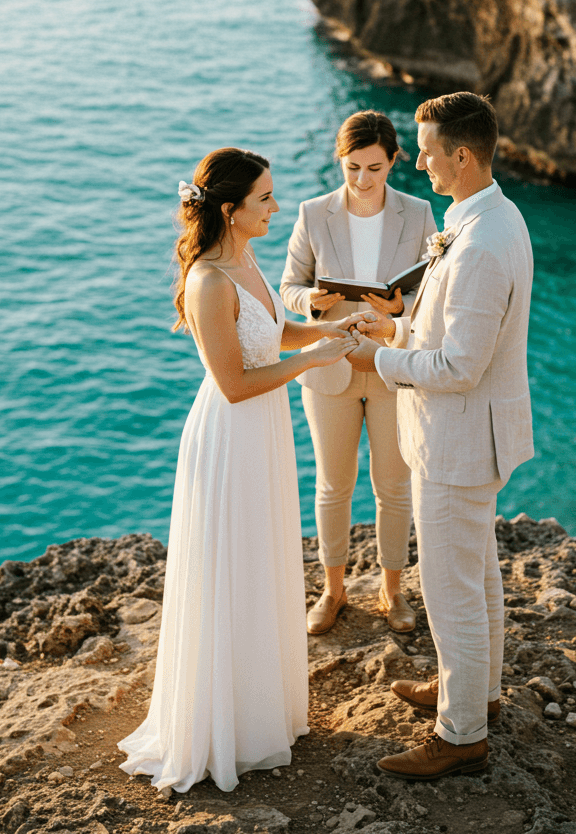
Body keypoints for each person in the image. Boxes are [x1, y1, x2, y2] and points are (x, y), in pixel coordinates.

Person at [118, 148, 359, 794]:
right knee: (232, 566)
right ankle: (220, 727)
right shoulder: (208, 281)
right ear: (231, 211)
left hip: (266, 432)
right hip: (231, 435)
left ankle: (261, 715)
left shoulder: (246, 260)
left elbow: (272, 335)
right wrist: (316, 362)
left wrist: (334, 327)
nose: (276, 208)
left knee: (262, 562)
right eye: (265, 200)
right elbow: (232, 383)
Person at [346, 92, 534, 781]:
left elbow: (459, 367)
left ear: (462, 154)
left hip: (459, 440)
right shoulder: (490, 216)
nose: (416, 161)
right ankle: (475, 693)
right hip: (468, 436)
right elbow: (449, 335)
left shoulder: (481, 243)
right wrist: (395, 329)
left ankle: (461, 737)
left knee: (451, 588)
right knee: (475, 576)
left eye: (426, 150)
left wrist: (380, 361)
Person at [280, 111, 437, 636]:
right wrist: (312, 298)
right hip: (330, 367)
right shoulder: (313, 212)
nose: (363, 179)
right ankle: (333, 589)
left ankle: (392, 592)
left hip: (393, 364)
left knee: (394, 486)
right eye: (352, 168)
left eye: (374, 167)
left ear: (395, 159)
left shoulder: (419, 214)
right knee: (333, 486)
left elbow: (433, 292)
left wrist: (398, 308)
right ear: (339, 162)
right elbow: (288, 286)